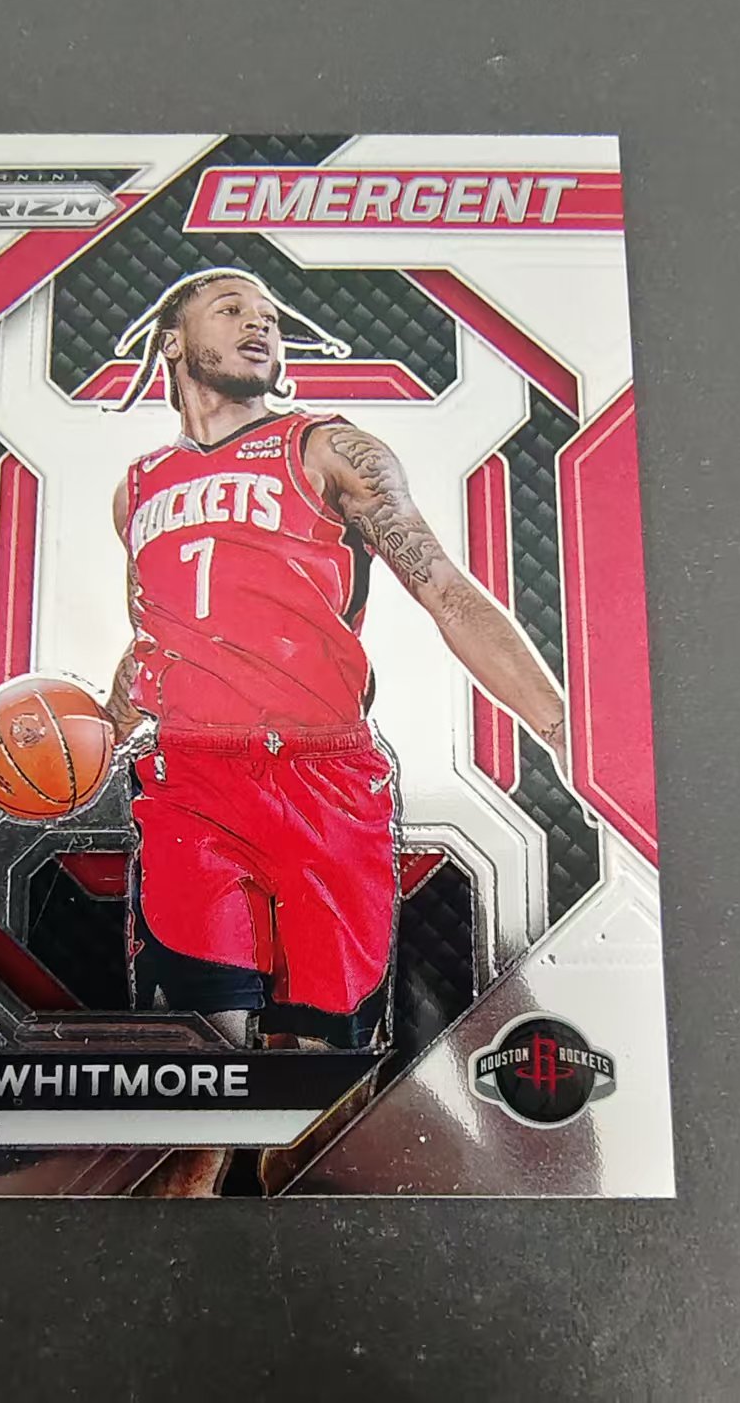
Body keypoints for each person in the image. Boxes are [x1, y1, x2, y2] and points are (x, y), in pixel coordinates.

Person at [104, 268, 566, 1092]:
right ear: (173, 342)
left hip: (325, 779)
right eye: (231, 310)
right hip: (192, 781)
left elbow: (445, 590)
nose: (258, 324)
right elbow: (152, 631)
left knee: (322, 1083)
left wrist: (562, 727)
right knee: (199, 1074)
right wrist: (99, 730)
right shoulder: (136, 487)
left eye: (269, 316)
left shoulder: (328, 449)